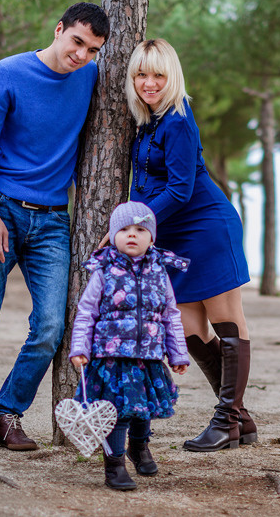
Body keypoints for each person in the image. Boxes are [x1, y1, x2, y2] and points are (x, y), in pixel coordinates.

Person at [0, 2, 110, 458]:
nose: (81, 54)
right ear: (59, 29)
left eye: (93, 49)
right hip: (1, 209)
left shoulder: (90, 77)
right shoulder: (10, 72)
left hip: (52, 220)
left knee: (50, 326)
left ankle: (7, 412)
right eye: (77, 41)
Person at [124, 38, 257, 452]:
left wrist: (132, 225)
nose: (149, 83)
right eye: (141, 75)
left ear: (172, 77)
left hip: (206, 226)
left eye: (158, 75)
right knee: (186, 326)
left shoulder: (178, 118)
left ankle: (226, 422)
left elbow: (181, 190)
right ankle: (242, 419)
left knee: (224, 318)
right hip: (176, 233)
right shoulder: (147, 121)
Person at [70, 201, 190, 490]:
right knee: (118, 413)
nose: (132, 235)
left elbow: (171, 314)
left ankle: (139, 447)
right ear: (113, 236)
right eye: (124, 229)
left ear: (152, 238)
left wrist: (178, 352)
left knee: (143, 411)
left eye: (140, 229)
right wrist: (79, 348)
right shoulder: (104, 270)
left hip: (148, 358)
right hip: (112, 359)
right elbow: (87, 311)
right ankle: (114, 466)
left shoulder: (160, 273)